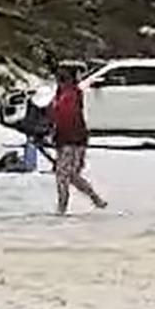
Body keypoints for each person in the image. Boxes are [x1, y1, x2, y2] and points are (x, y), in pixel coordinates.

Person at [49, 65, 107, 214]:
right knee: (70, 175)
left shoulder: (70, 95)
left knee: (64, 176)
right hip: (73, 139)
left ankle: (63, 207)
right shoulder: (66, 93)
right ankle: (95, 199)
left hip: (71, 139)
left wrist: (57, 133)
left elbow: (66, 117)